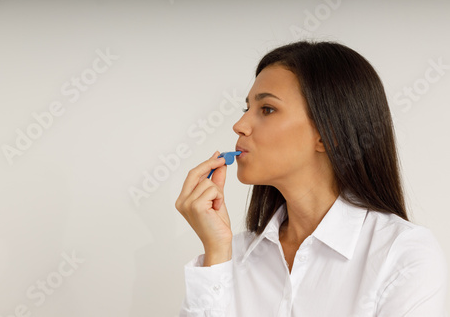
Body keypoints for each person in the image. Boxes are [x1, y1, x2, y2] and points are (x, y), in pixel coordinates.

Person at [175, 40, 448, 316]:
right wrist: (217, 253)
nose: (239, 125)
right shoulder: (230, 257)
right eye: (246, 109)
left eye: (267, 109)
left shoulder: (403, 256)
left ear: (326, 134)